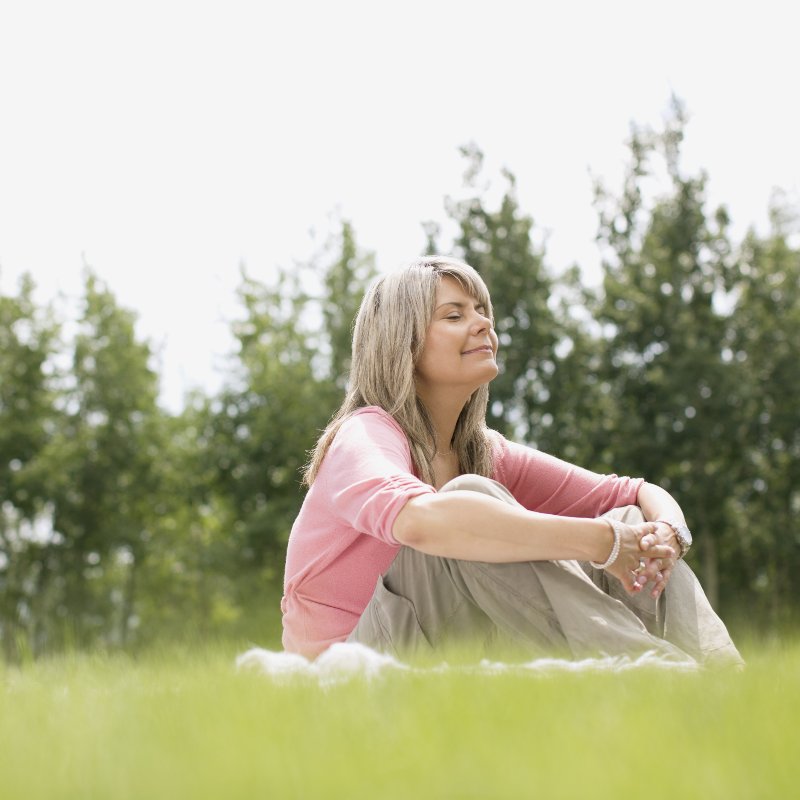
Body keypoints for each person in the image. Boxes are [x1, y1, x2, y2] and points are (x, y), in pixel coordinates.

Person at [281, 256, 742, 667]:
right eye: (455, 315)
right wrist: (601, 542)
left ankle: (724, 679)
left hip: (438, 641)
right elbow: (421, 522)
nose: (482, 324)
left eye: (482, 310)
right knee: (468, 503)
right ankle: (652, 670)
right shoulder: (364, 433)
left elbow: (632, 492)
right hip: (346, 670)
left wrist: (668, 532)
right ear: (402, 340)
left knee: (629, 519)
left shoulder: (482, 450)